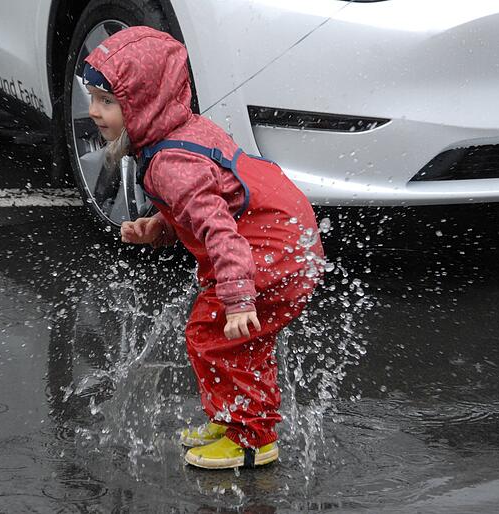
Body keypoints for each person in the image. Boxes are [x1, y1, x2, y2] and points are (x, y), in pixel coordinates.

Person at [83, 26, 324, 469]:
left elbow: (219, 231)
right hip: (287, 238)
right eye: (93, 98)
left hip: (268, 250)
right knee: (241, 343)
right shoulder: (184, 129)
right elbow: (213, 199)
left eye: (108, 102)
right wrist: (160, 226)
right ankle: (236, 419)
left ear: (144, 103)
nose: (95, 112)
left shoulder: (170, 164)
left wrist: (237, 298)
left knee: (213, 335)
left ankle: (251, 441)